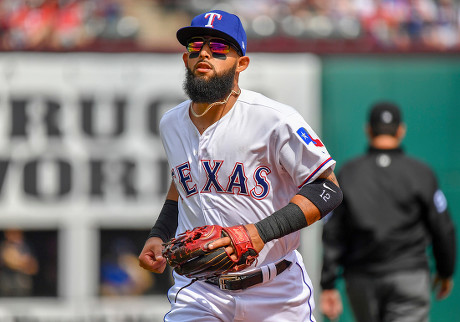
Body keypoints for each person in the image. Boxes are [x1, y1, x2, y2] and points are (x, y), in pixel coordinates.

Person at [138, 9, 343, 322]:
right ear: (186, 60)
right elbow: (181, 185)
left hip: (276, 290)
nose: (205, 52)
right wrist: (159, 233)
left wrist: (259, 233)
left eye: (219, 47)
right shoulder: (171, 123)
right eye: (196, 46)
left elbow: (327, 189)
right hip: (201, 291)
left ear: (241, 63)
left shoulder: (273, 119)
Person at [320, 102, 456, 322]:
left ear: (368, 130)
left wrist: (327, 284)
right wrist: (445, 271)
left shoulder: (348, 172)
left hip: (362, 279)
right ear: (401, 130)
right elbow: (443, 228)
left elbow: (333, 233)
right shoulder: (421, 172)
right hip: (409, 276)